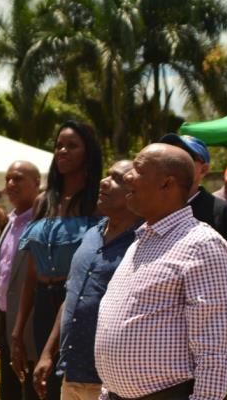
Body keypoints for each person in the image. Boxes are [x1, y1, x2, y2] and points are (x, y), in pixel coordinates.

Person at [95, 144, 227, 400]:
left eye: (138, 170)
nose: (127, 176)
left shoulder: (202, 246)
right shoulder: (139, 242)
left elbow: (215, 353)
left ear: (167, 184)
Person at [32, 160, 142, 400]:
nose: (104, 182)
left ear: (135, 192)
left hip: (111, 384)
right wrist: (48, 354)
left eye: (117, 179)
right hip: (71, 374)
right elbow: (71, 297)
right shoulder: (91, 235)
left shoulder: (143, 244)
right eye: (107, 175)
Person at [11, 121, 103, 400]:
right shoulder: (43, 202)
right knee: (45, 387)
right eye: (59, 145)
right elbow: (31, 272)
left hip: (79, 304)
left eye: (72, 145)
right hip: (42, 304)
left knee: (73, 383)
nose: (62, 151)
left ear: (88, 153)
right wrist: (17, 331)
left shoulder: (98, 201)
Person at [160, 133, 227, 381]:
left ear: (204, 169)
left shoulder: (221, 213)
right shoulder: (152, 209)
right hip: (160, 344)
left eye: (186, 156)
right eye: (169, 154)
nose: (175, 160)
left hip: (207, 344)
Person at [0, 160, 40, 400]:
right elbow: (0, 279)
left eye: (18, 178)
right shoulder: (10, 223)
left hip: (31, 330)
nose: (10, 184)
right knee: (8, 392)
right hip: (6, 326)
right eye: (8, 179)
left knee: (30, 391)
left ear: (37, 183)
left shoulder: (42, 225)